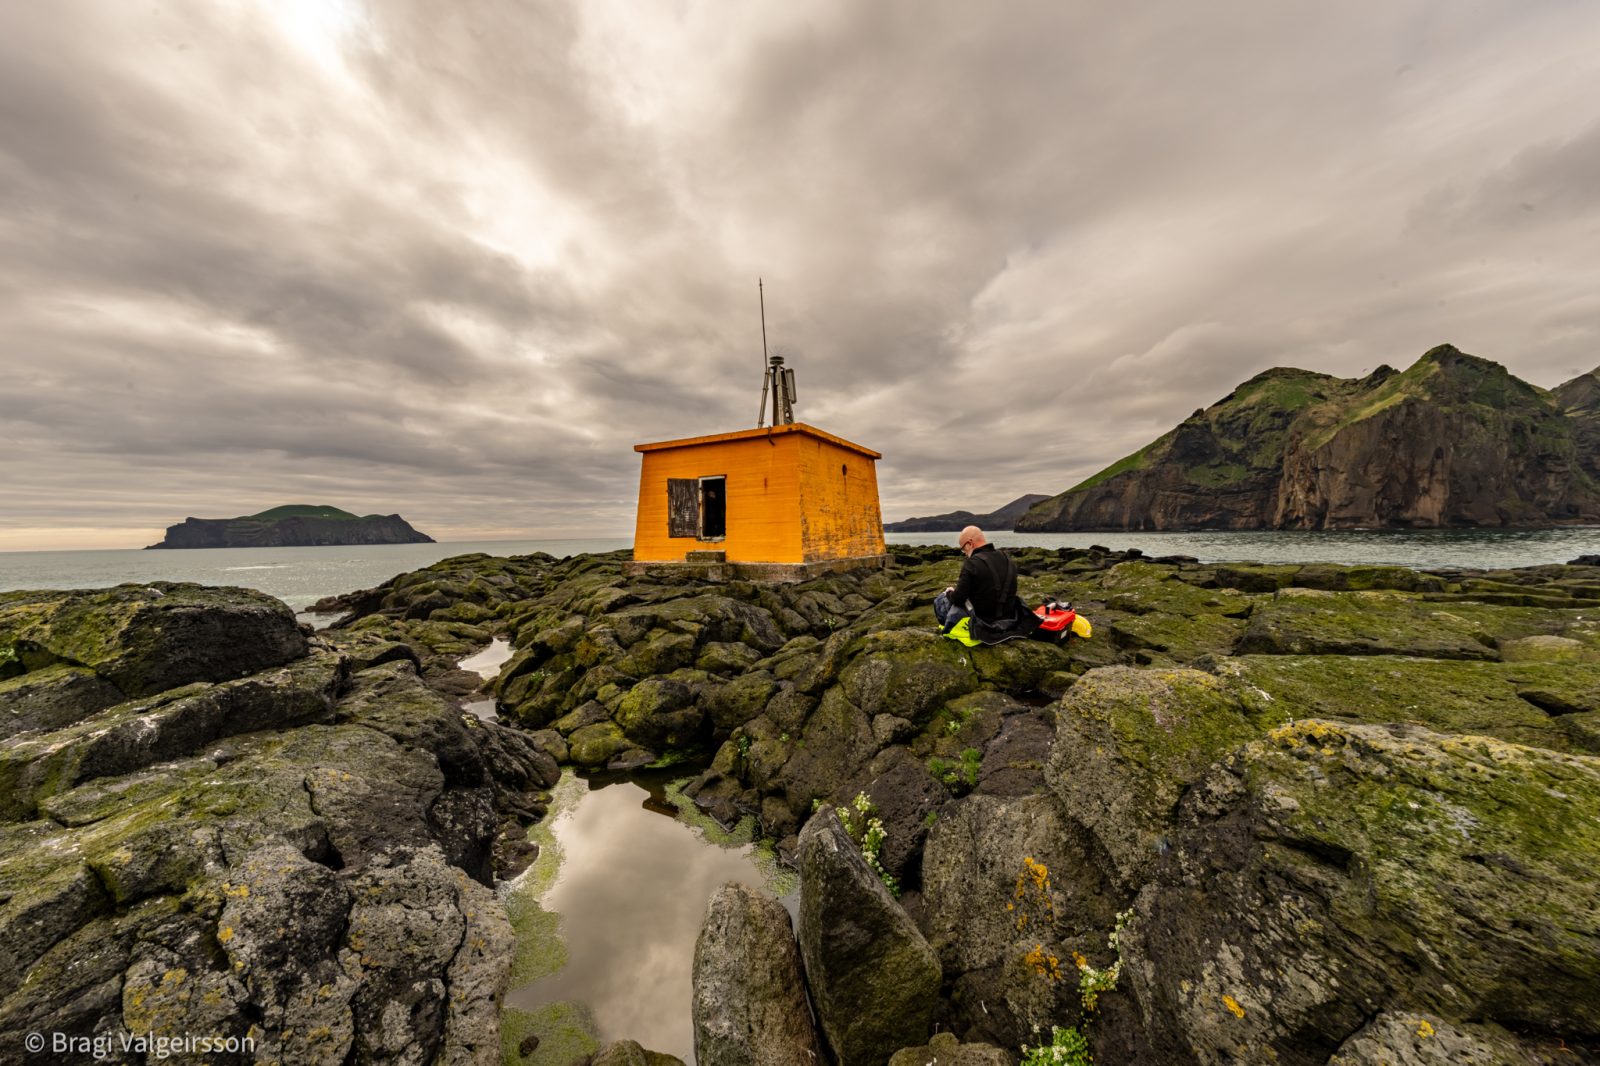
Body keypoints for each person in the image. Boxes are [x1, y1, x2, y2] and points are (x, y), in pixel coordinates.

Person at [933, 526, 1020, 633]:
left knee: (941, 599)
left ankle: (948, 631)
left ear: (970, 543)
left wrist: (949, 593)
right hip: (1007, 620)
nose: (964, 553)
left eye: (963, 548)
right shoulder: (1008, 559)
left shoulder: (972, 563)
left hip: (982, 622)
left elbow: (958, 599)